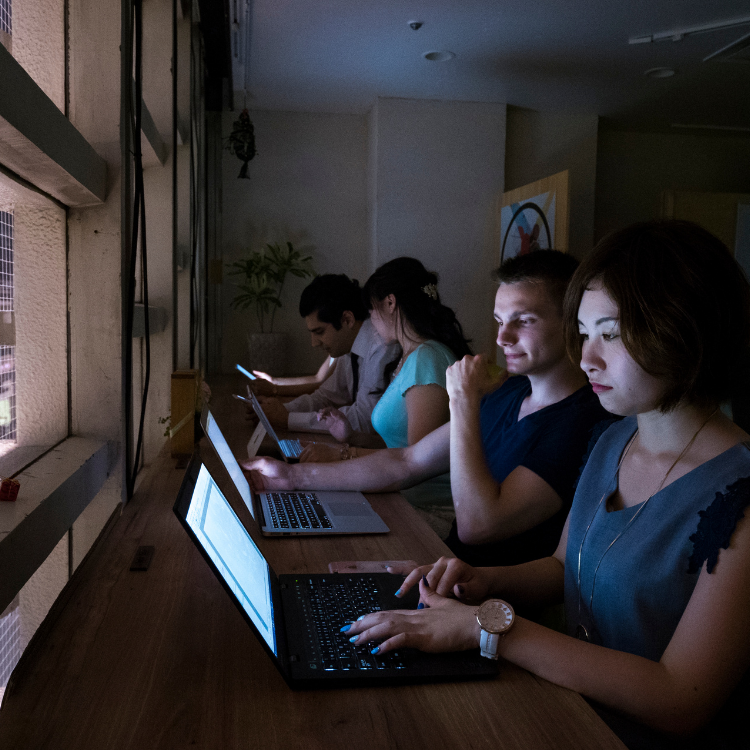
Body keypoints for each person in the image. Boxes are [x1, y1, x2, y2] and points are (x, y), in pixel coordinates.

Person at [344, 221, 750, 749]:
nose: (586, 357)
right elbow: (563, 568)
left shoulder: (738, 491)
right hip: (566, 708)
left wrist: (489, 627)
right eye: (583, 334)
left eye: (610, 333)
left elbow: (679, 700)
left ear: (687, 329)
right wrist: (485, 582)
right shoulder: (613, 439)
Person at [244, 250, 611, 566]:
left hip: (489, 610)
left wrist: (464, 400)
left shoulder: (583, 421)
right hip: (448, 572)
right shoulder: (509, 394)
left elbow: (477, 525)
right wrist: (291, 478)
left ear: (572, 323)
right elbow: (408, 461)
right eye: (500, 322)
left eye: (524, 321)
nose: (501, 338)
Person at [302, 257, 473, 462]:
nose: (370, 320)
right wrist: (353, 437)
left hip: (416, 493)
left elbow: (416, 460)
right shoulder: (408, 357)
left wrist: (342, 454)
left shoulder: (426, 359)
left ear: (390, 303)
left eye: (371, 310)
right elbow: (397, 445)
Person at [253, 274, 399, 436]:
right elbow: (327, 397)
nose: (314, 343)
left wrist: (288, 419)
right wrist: (275, 410)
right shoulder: (348, 345)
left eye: (319, 332)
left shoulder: (381, 347)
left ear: (347, 319)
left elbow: (364, 420)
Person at [249, 355, 337, 398]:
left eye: (319, 331)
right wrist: (273, 381)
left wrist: (274, 389)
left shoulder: (343, 353)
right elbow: (318, 378)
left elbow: (321, 386)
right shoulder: (336, 351)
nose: (315, 343)